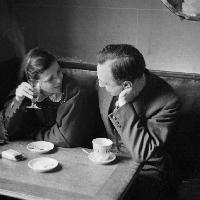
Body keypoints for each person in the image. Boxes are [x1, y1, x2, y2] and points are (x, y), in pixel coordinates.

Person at [96, 44, 182, 200]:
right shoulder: (105, 80)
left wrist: (123, 105)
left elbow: (143, 153)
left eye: (105, 83)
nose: (100, 85)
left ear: (126, 86)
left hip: (146, 169)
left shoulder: (169, 102)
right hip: (109, 160)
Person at [0, 47, 94, 148]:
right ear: (33, 82)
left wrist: (32, 132)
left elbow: (65, 139)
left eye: (59, 72)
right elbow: (6, 133)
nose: (59, 80)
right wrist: (18, 101)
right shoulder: (26, 92)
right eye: (50, 79)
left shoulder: (73, 92)